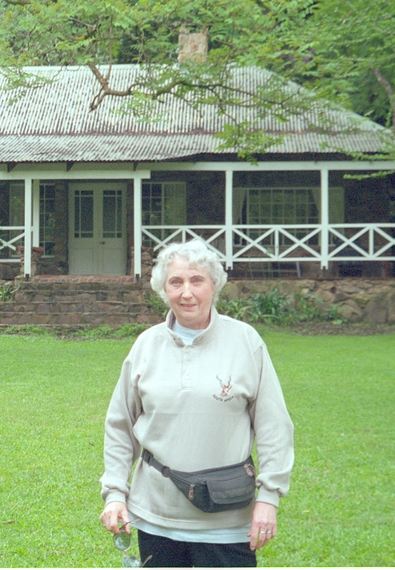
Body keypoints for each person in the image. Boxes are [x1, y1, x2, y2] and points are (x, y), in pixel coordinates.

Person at [100, 239, 294, 567]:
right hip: (155, 519)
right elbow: (121, 426)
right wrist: (116, 494)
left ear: (214, 284)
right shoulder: (146, 346)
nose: (186, 292)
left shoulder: (246, 342)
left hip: (227, 524)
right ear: (164, 289)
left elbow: (274, 427)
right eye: (176, 282)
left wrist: (269, 498)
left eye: (196, 280)